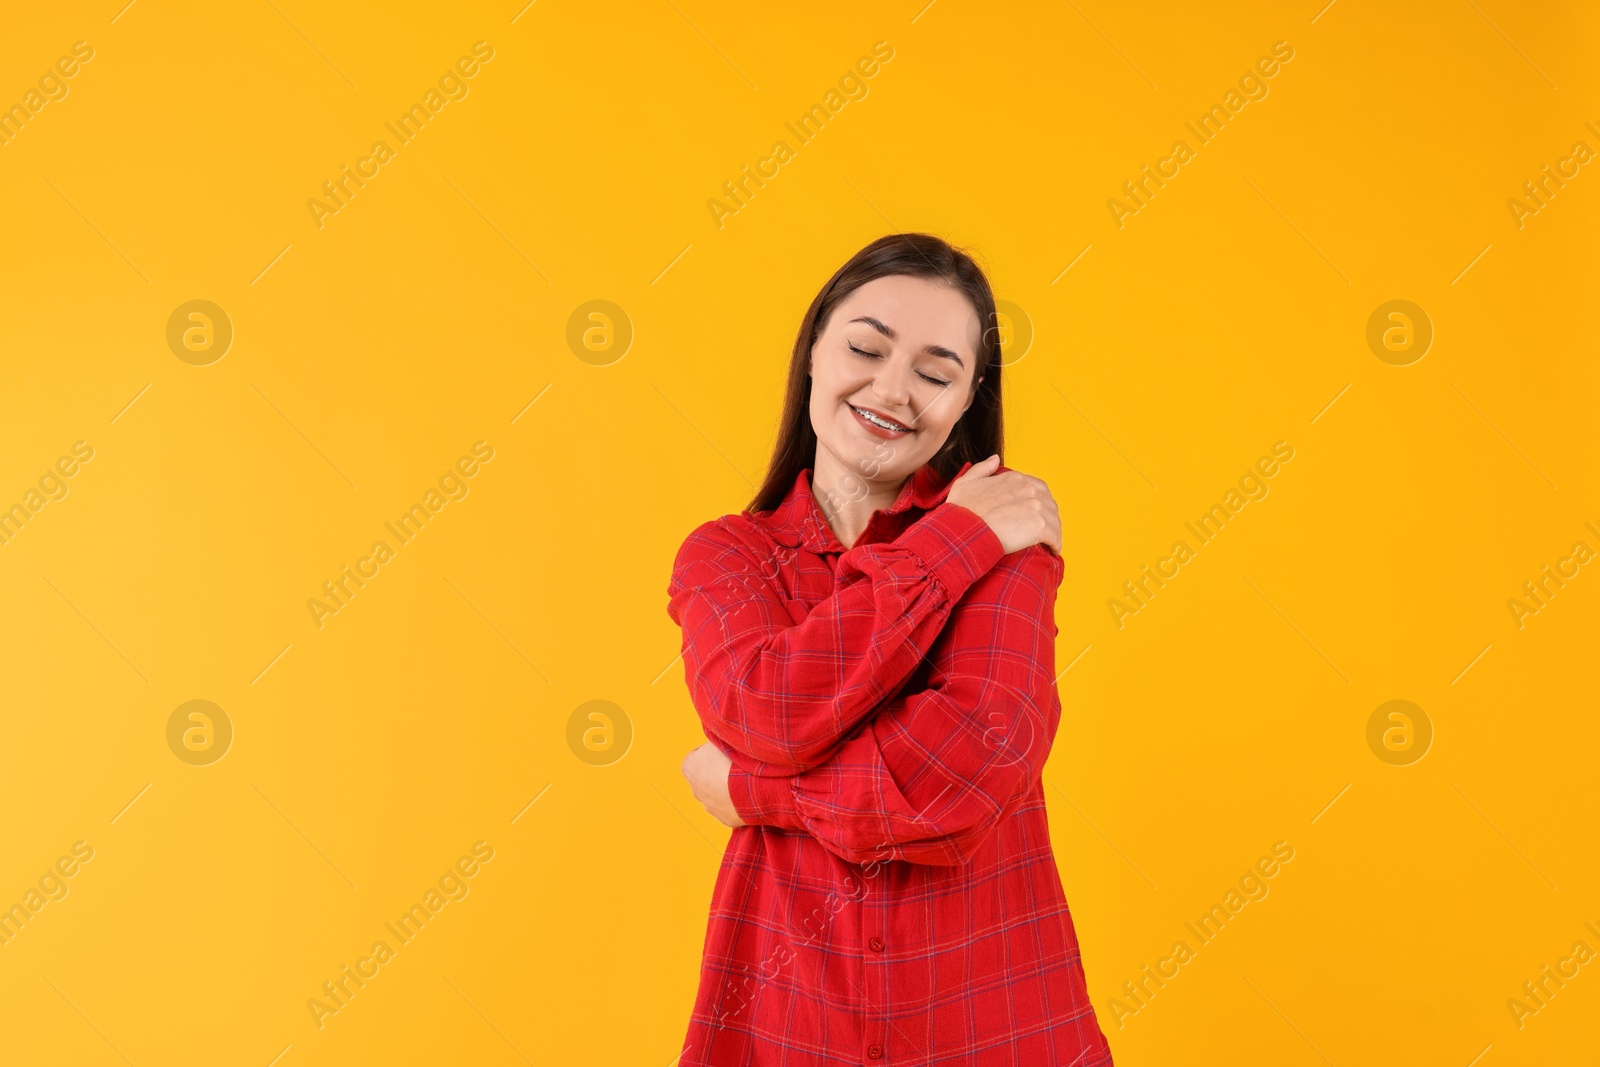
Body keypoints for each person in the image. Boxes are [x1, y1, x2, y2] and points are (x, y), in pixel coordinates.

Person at [667, 232, 1114, 1065]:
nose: (892, 389)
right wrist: (953, 544)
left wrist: (752, 788)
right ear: (813, 353)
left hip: (998, 1026)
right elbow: (767, 707)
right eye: (866, 348)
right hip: (785, 1019)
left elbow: (966, 768)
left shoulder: (1014, 543)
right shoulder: (725, 557)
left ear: (967, 399)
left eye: (936, 372)